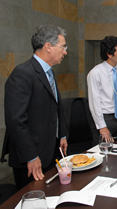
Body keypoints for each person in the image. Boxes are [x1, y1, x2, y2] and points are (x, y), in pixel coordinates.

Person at [4, 25, 69, 190]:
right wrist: (31, 156)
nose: (65, 52)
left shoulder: (49, 72)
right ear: (48, 46)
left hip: (50, 150)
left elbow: (55, 108)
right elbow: (15, 120)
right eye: (63, 47)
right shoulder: (23, 73)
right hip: (32, 156)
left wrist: (61, 135)